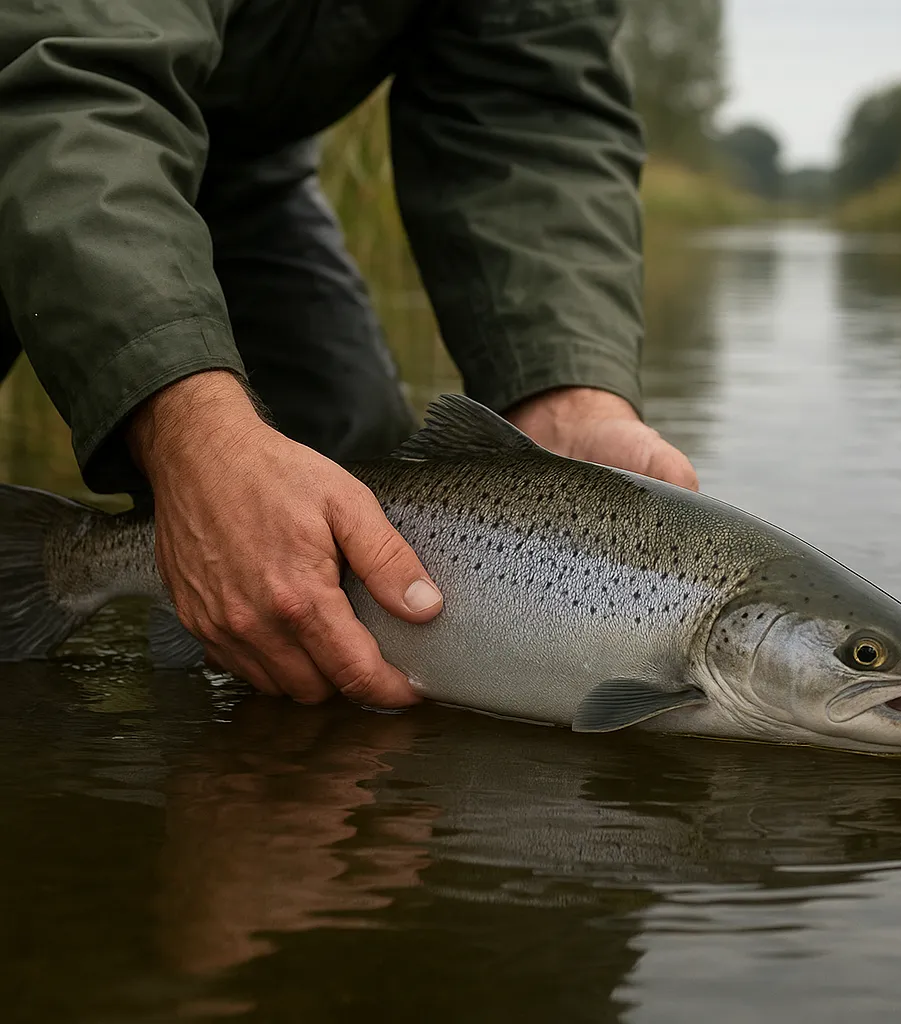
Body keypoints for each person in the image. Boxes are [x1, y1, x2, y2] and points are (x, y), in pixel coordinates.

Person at [0, 0, 697, 708]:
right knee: (219, 461)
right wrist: (191, 428)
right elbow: (71, 77)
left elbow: (532, 101)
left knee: (348, 476)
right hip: (45, 118)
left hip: (247, 169)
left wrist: (566, 388)